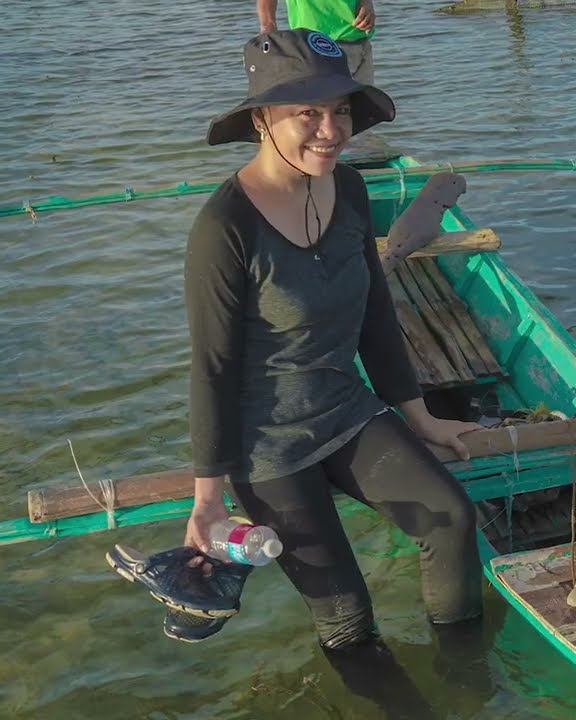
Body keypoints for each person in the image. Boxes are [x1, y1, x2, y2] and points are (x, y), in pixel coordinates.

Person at [182, 28, 483, 715]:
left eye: (341, 110)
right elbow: (212, 365)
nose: (330, 130)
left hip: (346, 410)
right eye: (307, 114)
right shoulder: (224, 229)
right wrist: (206, 498)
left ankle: (469, 684)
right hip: (267, 447)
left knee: (450, 519)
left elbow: (376, 311)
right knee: (347, 617)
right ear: (261, 119)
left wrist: (419, 415)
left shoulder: (346, 187)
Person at [258, 0, 377, 84]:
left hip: (361, 39)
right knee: (326, 108)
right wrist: (268, 27)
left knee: (362, 112)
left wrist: (366, 2)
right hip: (319, 44)